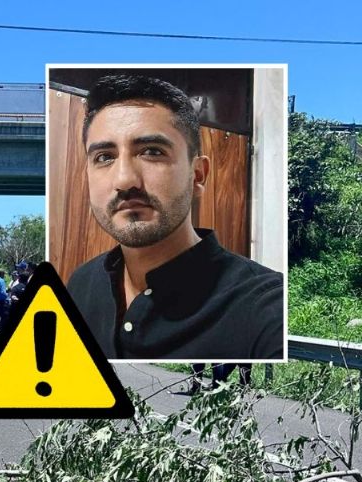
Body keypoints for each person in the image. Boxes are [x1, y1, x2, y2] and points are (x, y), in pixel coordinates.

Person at [65, 74, 283, 361]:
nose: (125, 180)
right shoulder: (81, 285)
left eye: (152, 152)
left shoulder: (267, 310)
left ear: (198, 175)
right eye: (105, 157)